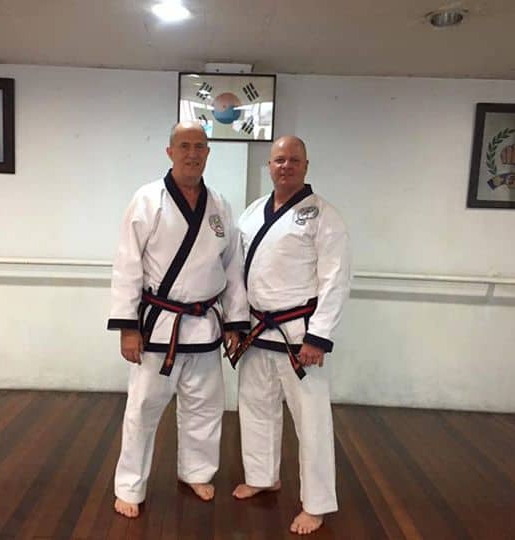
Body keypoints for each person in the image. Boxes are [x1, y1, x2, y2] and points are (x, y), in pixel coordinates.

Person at [107, 121, 249, 518]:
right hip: (159, 326)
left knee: (204, 406)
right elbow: (127, 264)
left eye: (199, 146)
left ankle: (196, 473)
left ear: (208, 153)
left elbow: (232, 266)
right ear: (170, 152)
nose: (192, 153)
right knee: (143, 409)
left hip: (204, 324)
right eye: (184, 146)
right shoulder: (148, 199)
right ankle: (129, 487)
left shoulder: (219, 205)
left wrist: (235, 321)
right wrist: (128, 327)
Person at [231, 136, 351, 535]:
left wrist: (318, 337)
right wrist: (236, 323)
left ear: (306, 165)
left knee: (311, 422)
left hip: (299, 335)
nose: (286, 166)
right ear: (269, 165)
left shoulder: (324, 216)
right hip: (256, 330)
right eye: (279, 159)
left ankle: (316, 504)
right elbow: (237, 272)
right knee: (255, 408)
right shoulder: (252, 212)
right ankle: (262, 476)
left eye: (294, 160)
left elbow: (335, 279)